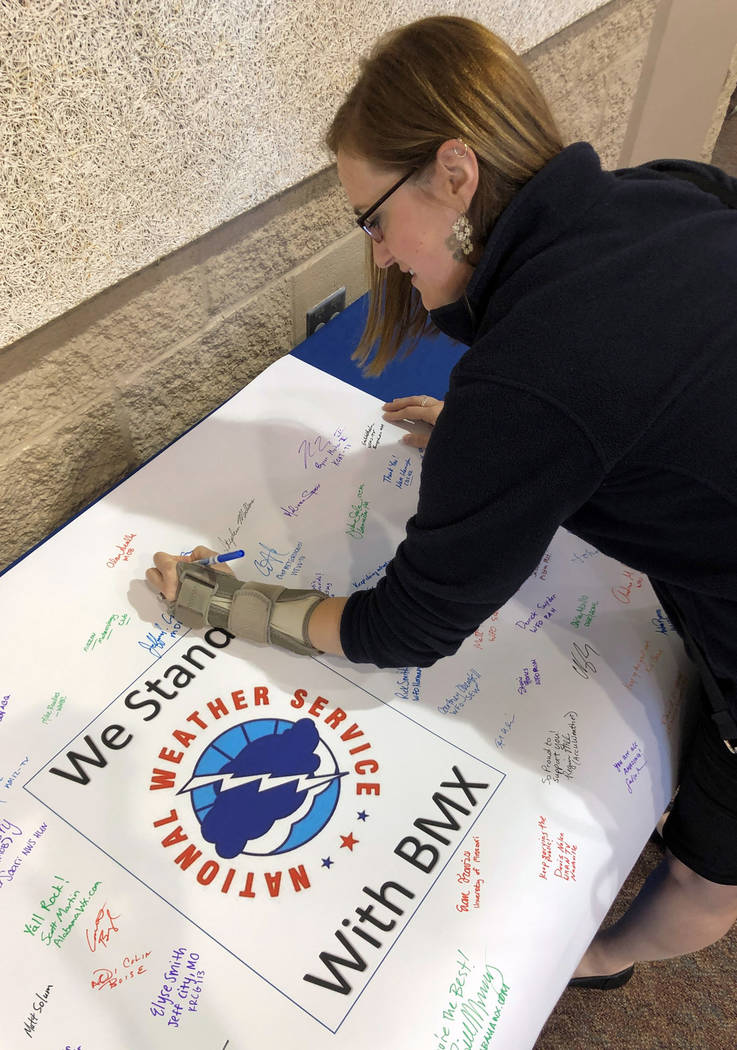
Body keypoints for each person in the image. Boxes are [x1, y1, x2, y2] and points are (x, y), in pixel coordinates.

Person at [147, 15, 737, 990]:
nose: (376, 256)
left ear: (455, 174)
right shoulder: (656, 188)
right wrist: (492, 428)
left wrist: (231, 605)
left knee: (710, 876)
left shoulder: (533, 381)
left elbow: (410, 623)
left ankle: (597, 956)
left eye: (372, 219)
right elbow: (638, 357)